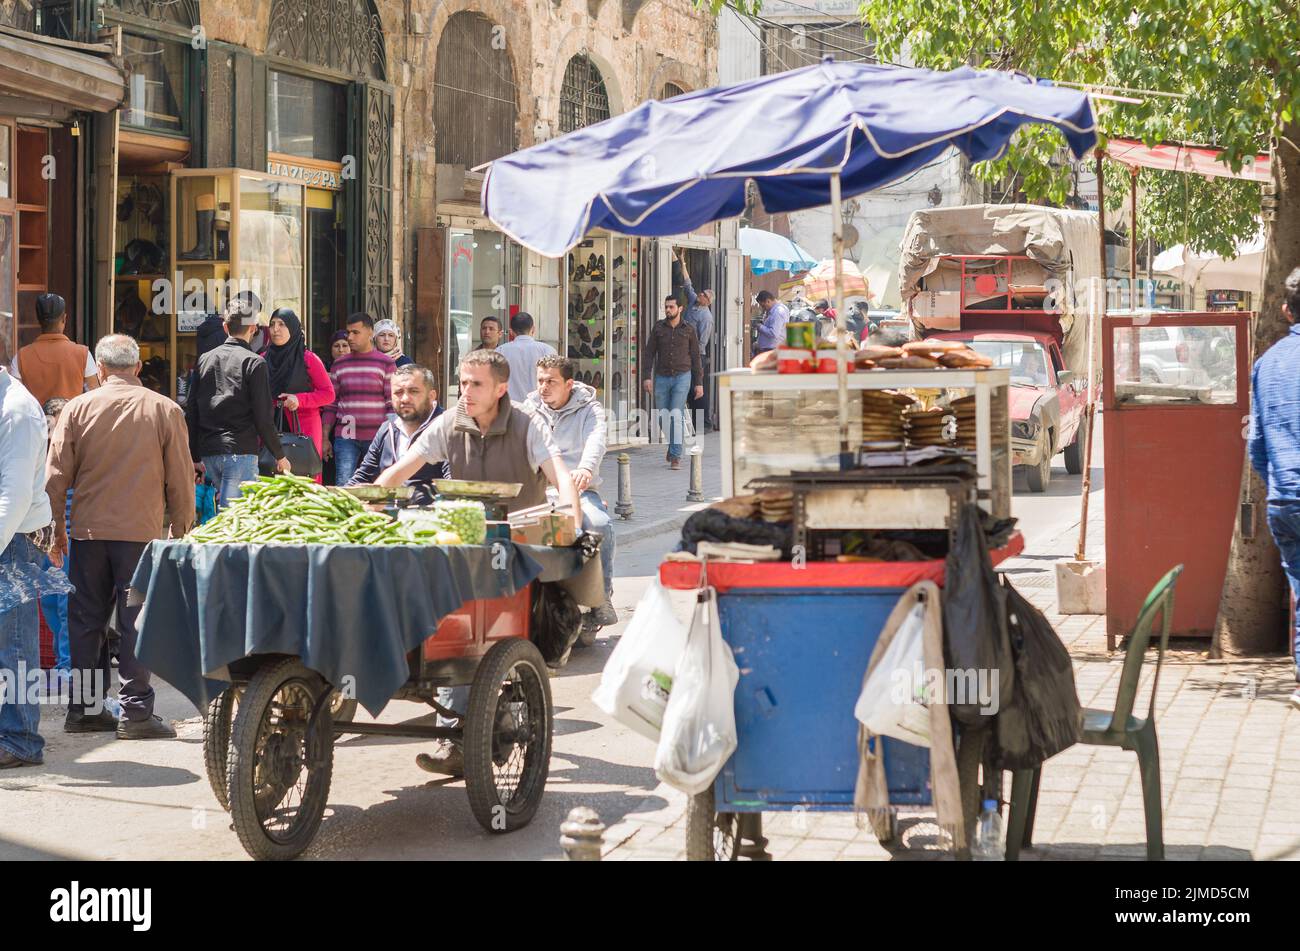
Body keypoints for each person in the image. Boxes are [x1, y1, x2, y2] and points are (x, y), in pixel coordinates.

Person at [374, 349, 580, 777]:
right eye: (462, 383)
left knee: (487, 637)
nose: (465, 392)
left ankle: (491, 717)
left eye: (476, 384)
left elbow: (559, 474)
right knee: (448, 621)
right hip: (463, 541)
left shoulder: (527, 422)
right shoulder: (451, 422)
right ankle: (449, 726)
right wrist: (370, 501)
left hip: (515, 546)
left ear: (501, 389)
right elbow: (402, 469)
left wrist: (569, 516)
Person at [46, 334, 194, 739]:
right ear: (138, 368)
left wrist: (56, 529)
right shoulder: (164, 409)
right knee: (135, 619)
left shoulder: (76, 408)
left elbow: (56, 475)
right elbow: (181, 479)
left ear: (103, 369)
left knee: (85, 620)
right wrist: (181, 529)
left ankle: (86, 709)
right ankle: (136, 712)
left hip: (89, 532)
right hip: (140, 534)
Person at [0, 363, 64, 768]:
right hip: (12, 531)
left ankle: (21, 739)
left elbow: (15, 494)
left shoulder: (16, 410)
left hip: (16, 537)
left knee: (15, 643)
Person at [524, 355, 618, 626]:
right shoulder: (528, 409)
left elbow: (596, 440)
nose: (543, 387)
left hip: (579, 490)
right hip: (539, 493)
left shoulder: (590, 409)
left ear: (569, 384)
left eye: (551, 381)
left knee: (600, 524)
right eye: (540, 380)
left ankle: (603, 595)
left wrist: (586, 469)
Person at [186, 293, 290, 510]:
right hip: (240, 450)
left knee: (218, 521)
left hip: (208, 451)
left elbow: (192, 410)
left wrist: (194, 454)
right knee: (236, 522)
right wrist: (279, 455)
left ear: (225, 327)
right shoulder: (255, 363)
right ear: (253, 328)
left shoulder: (205, 359)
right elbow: (263, 417)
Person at [1249, 267, 1300, 709]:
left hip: (1283, 500)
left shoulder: (1266, 365)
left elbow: (1257, 446)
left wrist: (1282, 484)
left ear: (1285, 310)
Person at [348, 364, 448, 502]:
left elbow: (452, 486)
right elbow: (364, 476)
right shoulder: (386, 428)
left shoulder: (447, 428)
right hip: (384, 515)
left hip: (429, 517)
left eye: (413, 391)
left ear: (431, 396)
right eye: (398, 392)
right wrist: (338, 501)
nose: (405, 398)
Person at [263, 308, 334, 484]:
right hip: (272, 429)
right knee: (272, 483)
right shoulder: (262, 359)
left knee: (305, 482)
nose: (275, 329)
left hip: (304, 430)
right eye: (272, 325)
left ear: (293, 328)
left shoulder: (308, 359)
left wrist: (299, 400)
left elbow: (328, 394)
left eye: (282, 324)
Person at [324, 312, 395, 486]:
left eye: (355, 332)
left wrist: (393, 438)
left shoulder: (386, 363)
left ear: (370, 332)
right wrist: (324, 437)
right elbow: (331, 404)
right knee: (344, 485)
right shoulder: (339, 364)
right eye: (349, 332)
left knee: (377, 487)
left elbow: (392, 405)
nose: (350, 337)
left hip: (377, 438)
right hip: (346, 437)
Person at [642, 294, 702, 470]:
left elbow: (696, 357)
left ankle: (676, 455)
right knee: (663, 416)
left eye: (671, 307)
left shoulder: (689, 330)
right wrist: (647, 376)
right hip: (662, 376)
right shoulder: (658, 328)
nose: (668, 310)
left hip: (683, 377)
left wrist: (698, 383)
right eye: (666, 307)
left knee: (676, 414)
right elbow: (649, 353)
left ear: (680, 309)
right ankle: (673, 446)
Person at [10, 293, 99, 406]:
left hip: (37, 423)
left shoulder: (21, 357)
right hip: (72, 422)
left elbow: (15, 401)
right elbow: (94, 396)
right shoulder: (83, 354)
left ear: (38, 320)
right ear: (64, 319)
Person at [39, 397, 72, 672]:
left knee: (64, 603)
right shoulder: (38, 447)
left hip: (67, 535)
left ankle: (66, 665)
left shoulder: (77, 448)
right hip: (40, 537)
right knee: (49, 601)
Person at [676, 251, 715, 432]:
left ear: (708, 301)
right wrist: (683, 262)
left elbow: (703, 342)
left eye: (704, 294)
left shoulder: (706, 317)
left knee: (696, 388)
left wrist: (693, 357)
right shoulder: (693, 303)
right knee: (689, 388)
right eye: (701, 292)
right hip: (685, 351)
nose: (699, 293)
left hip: (696, 355)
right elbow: (688, 284)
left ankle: (704, 423)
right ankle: (696, 423)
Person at [495, 311, 556, 404]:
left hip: (509, 408)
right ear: (533, 329)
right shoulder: (548, 350)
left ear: (511, 332)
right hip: (540, 408)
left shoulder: (500, 351)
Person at [755, 290, 791, 356]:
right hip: (772, 349)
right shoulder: (778, 309)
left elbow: (774, 333)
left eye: (763, 306)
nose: (764, 309)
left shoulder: (778, 312)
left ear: (768, 301)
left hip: (772, 350)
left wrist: (760, 327)